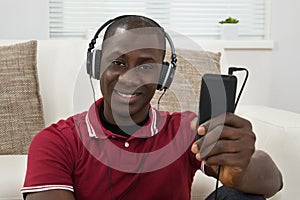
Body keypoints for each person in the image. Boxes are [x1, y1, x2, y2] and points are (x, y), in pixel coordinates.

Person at [21, 15, 283, 200]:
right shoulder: (56, 141)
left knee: (237, 195)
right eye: (118, 63)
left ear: (163, 78)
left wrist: (242, 166)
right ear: (97, 66)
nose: (130, 78)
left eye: (146, 67)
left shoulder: (184, 128)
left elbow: (274, 181)